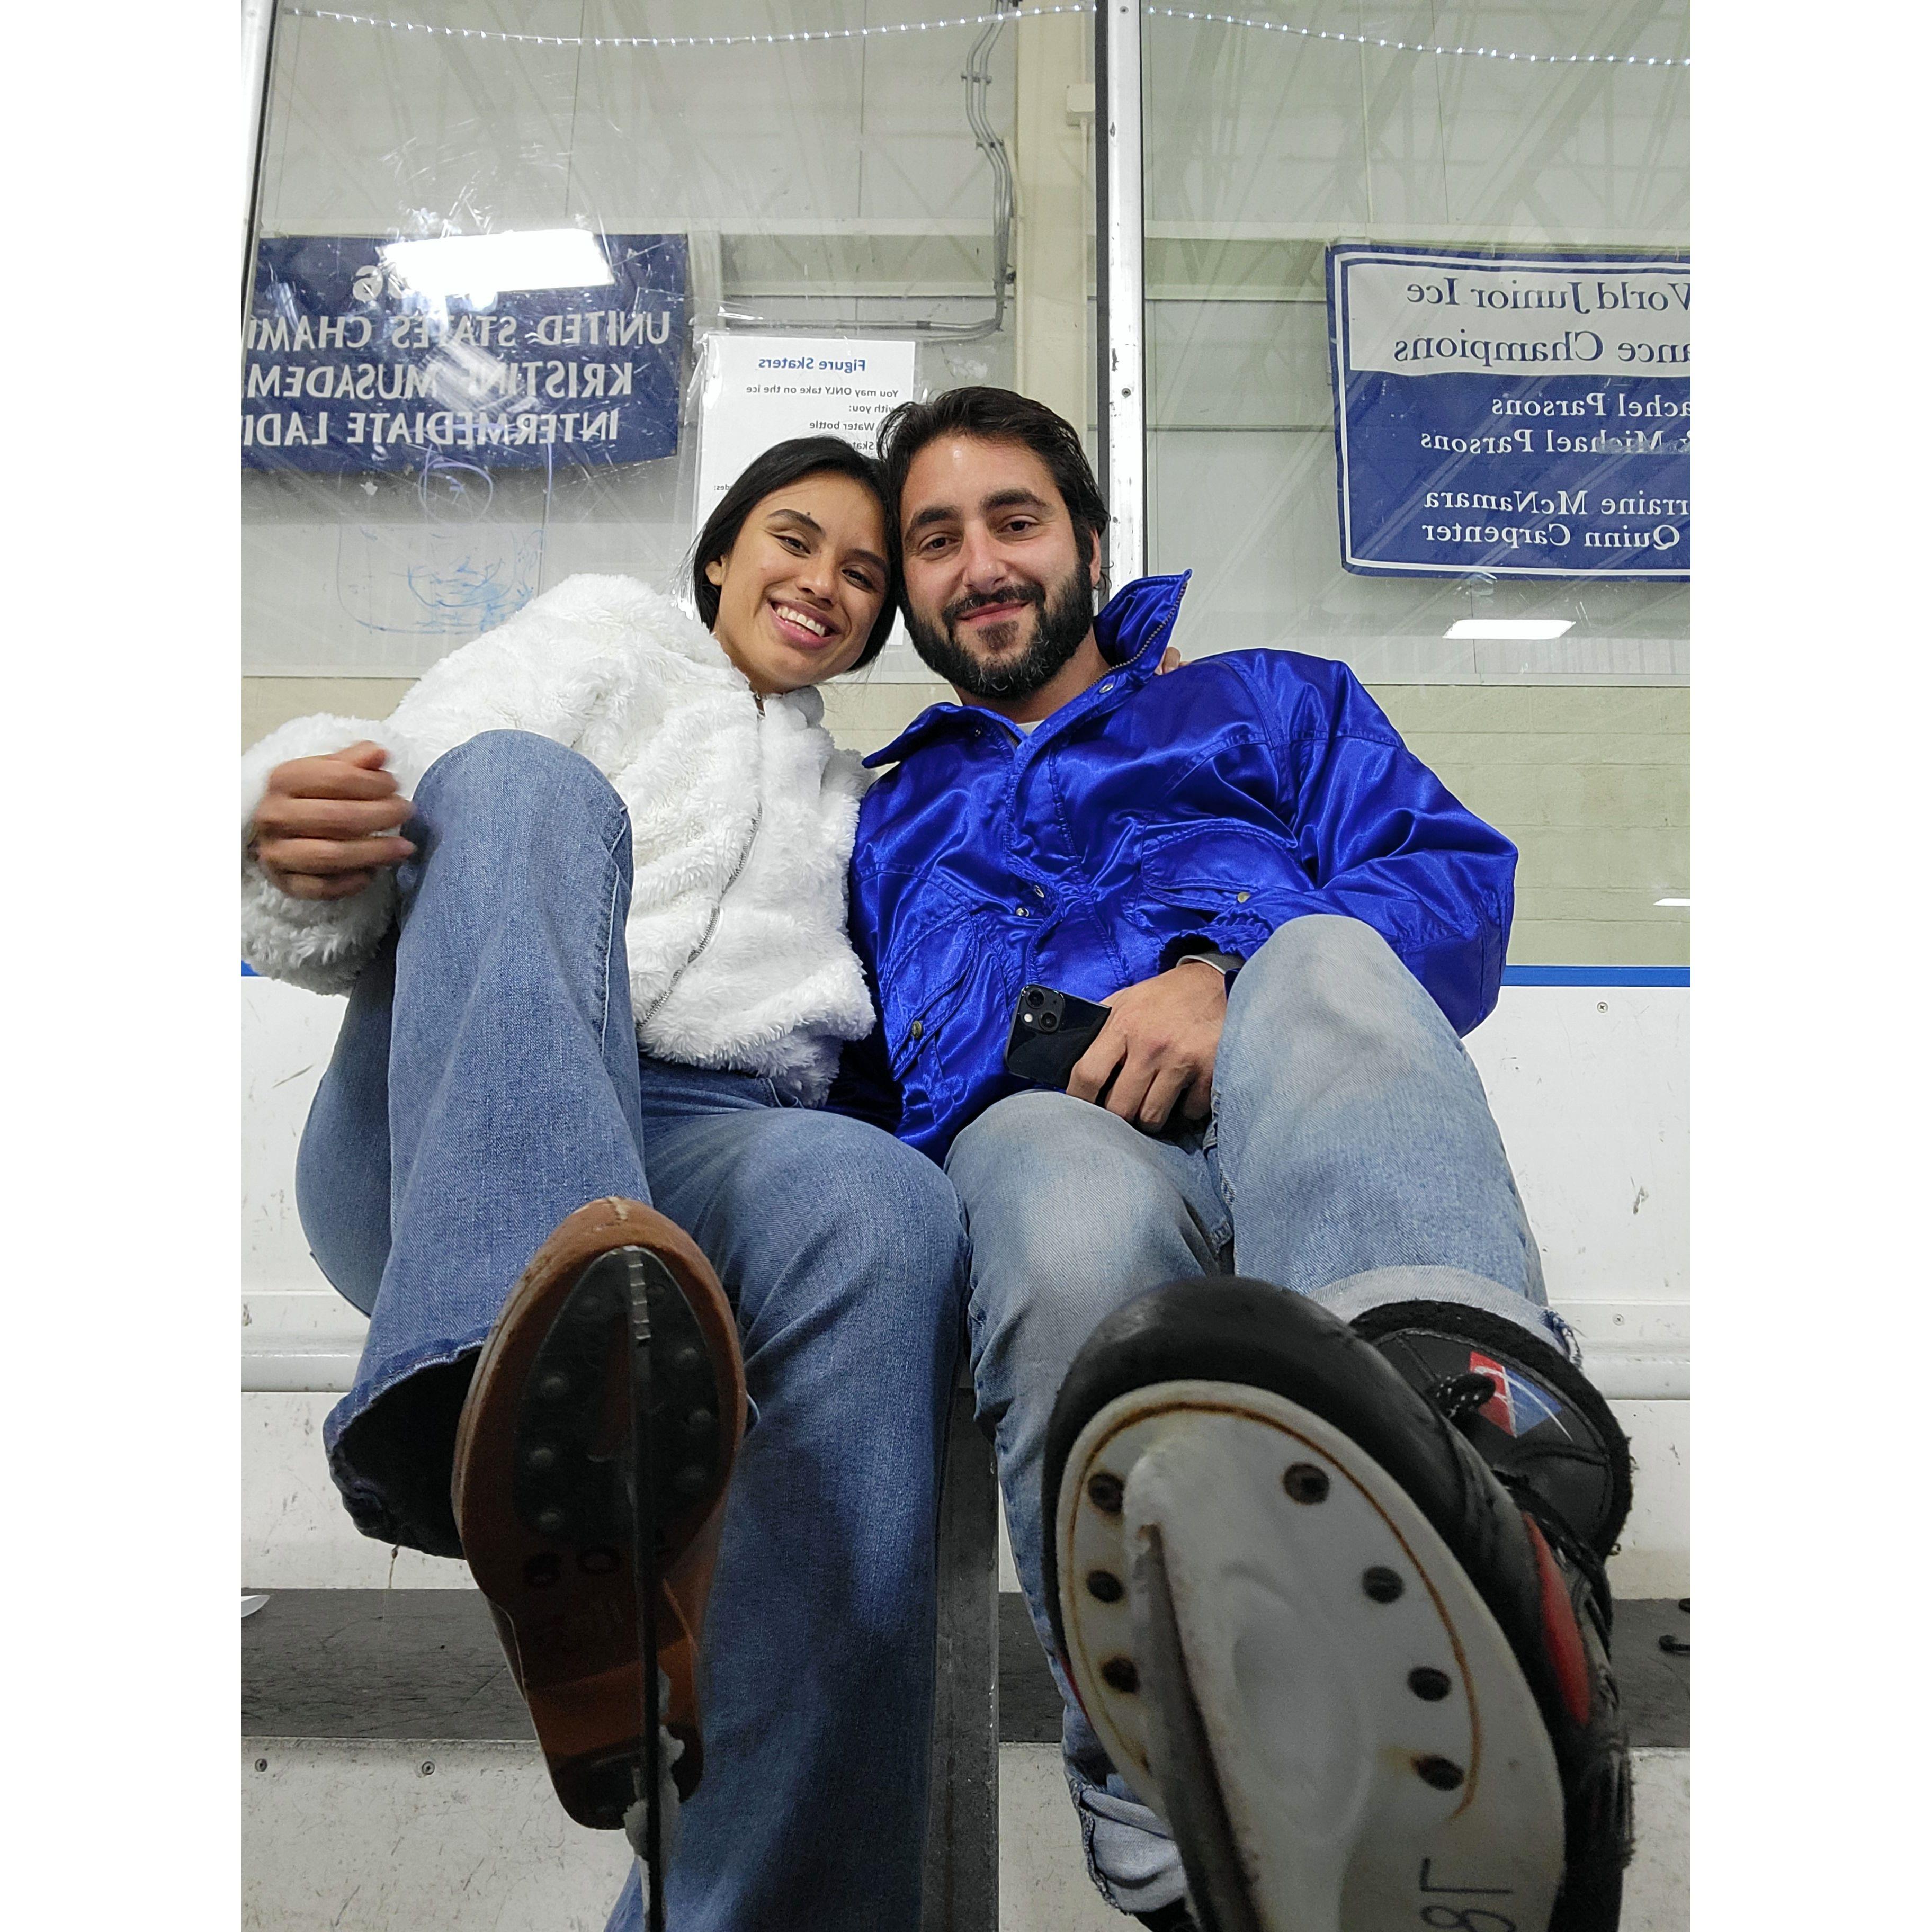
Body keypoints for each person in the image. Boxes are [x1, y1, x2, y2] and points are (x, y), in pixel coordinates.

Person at [834, 388, 1634, 1932]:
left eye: (1014, 520)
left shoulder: (1270, 698)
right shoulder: (873, 820)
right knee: (1054, 1208)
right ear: (910, 588)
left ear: (1085, 539)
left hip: (1307, 1112)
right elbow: (837, 1062)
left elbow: (1452, 885)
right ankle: (1170, 1813)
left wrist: (1227, 974)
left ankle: (1513, 1574)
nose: (980, 564)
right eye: (936, 539)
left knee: (1333, 958)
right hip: (1051, 1142)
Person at [241, 436, 969, 1932]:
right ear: (719, 554)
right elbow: (406, 768)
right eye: (793, 538)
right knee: (515, 783)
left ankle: (755, 1891)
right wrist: (287, 829)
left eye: (864, 573)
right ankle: (507, 1401)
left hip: (693, 1148)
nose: (823, 582)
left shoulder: (852, 795)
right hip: (453, 1091)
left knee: (884, 1203)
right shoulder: (596, 636)